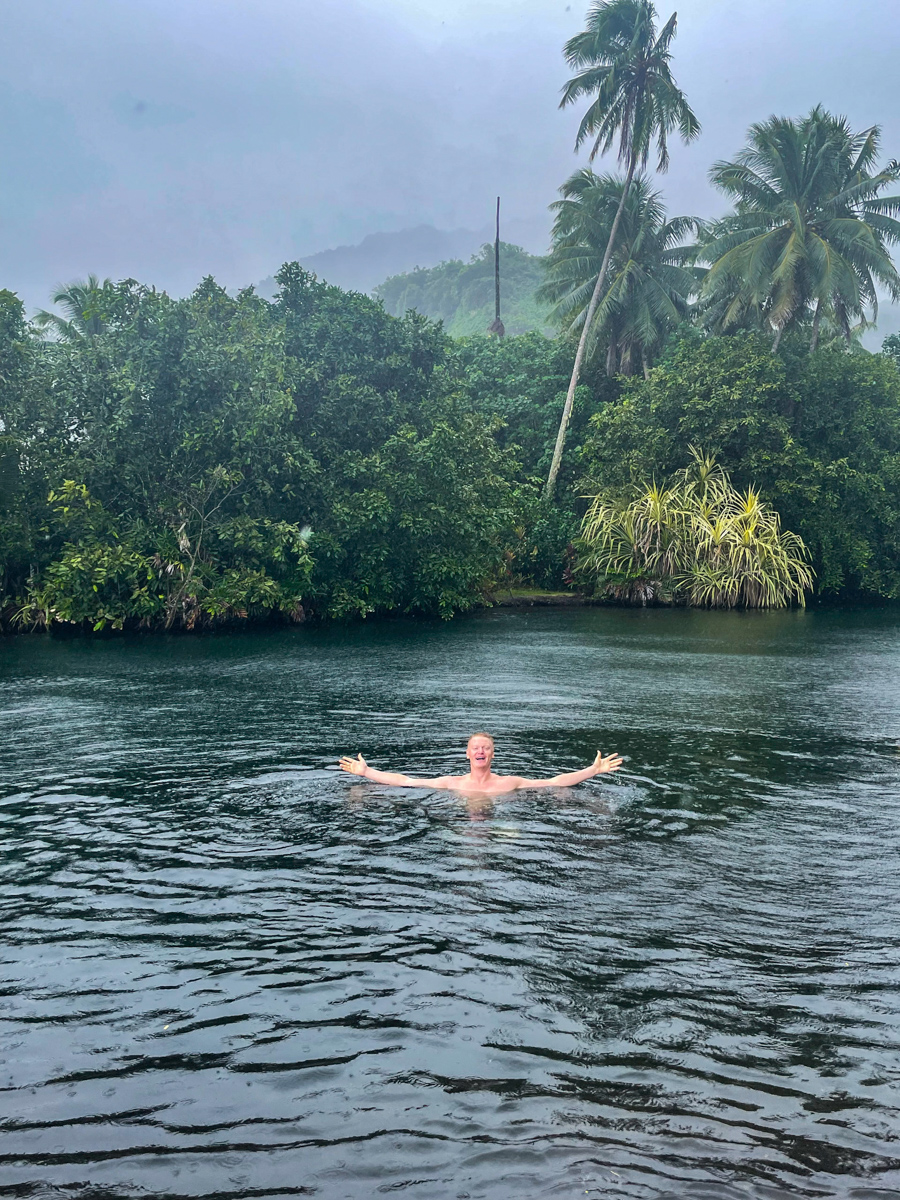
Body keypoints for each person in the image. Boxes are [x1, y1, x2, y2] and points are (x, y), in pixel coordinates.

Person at [339, 732, 623, 795]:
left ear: (492, 755)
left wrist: (592, 770)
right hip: (462, 825)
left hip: (499, 827)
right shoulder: (451, 783)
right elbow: (406, 780)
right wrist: (367, 772)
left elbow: (553, 781)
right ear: (467, 754)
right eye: (475, 747)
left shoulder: (509, 783)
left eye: (485, 748)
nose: (480, 751)